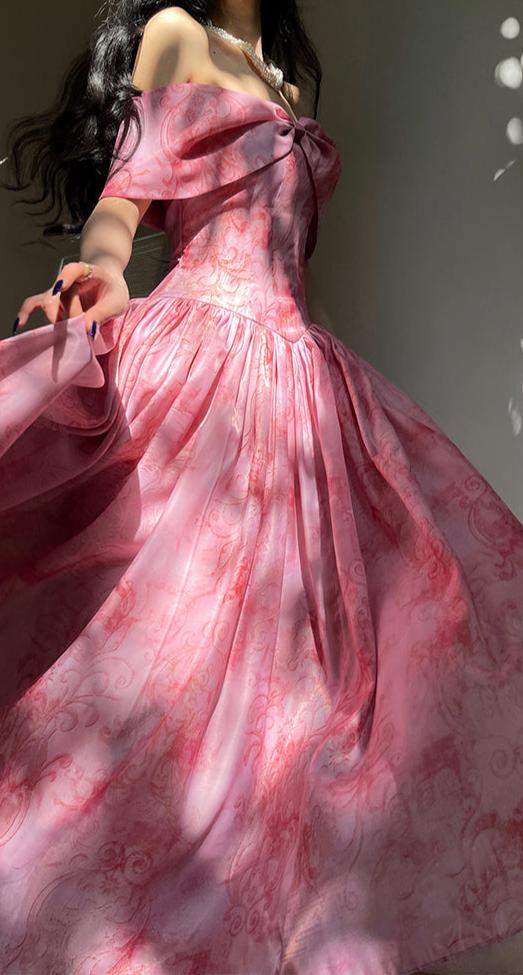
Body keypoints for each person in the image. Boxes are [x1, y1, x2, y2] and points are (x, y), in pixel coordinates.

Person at [0, 3, 522, 974]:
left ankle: (259, 929)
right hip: (206, 366)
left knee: (314, 693)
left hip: (300, 390)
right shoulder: (174, 29)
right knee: (165, 664)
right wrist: (101, 270)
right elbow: (126, 191)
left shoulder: (282, 77)